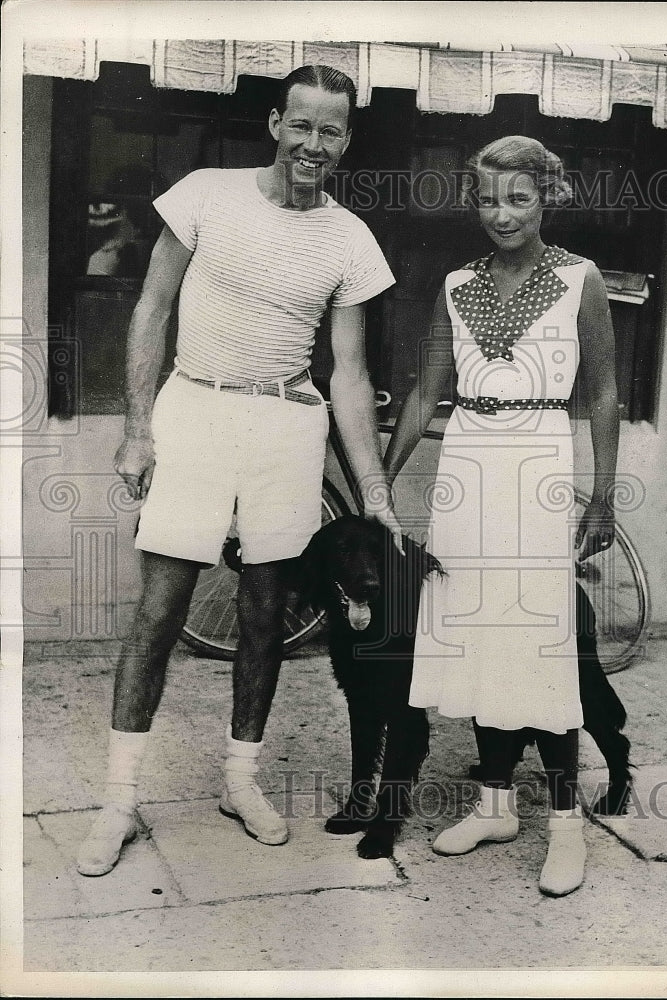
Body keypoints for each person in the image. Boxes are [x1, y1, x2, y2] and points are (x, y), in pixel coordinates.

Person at [77, 64, 401, 877]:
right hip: (196, 410)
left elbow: (350, 375)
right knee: (158, 611)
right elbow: (150, 307)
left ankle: (240, 780)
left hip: (287, 424)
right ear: (274, 122)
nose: (312, 144)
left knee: (265, 616)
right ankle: (117, 803)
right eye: (301, 125)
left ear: (346, 141)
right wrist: (138, 428)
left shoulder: (349, 237)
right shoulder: (205, 194)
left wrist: (376, 496)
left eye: (330, 131)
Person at [383, 136, 618, 897]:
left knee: (539, 650)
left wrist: (603, 497)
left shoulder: (579, 279)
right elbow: (425, 392)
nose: (500, 214)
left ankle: (564, 827)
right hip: (467, 472)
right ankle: (493, 807)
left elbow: (605, 396)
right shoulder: (457, 283)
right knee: (478, 641)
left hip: (538, 471)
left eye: (517, 199)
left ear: (547, 197)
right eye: (486, 199)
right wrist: (377, 482)